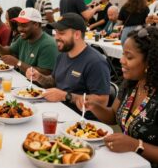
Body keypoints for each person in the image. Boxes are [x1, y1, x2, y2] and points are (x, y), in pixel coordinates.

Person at [84, 26, 158, 167]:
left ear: (149, 61)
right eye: (123, 54)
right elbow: (113, 115)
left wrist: (136, 145)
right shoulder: (131, 83)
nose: (121, 61)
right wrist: (93, 106)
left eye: (129, 56)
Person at [26, 13, 110, 120]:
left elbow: (102, 101)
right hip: (58, 111)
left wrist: (66, 96)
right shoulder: (62, 55)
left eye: (61, 33)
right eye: (55, 33)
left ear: (77, 35)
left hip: (80, 122)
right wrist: (39, 77)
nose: (56, 37)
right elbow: (54, 81)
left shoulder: (96, 62)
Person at [0, 8, 59, 75]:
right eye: (18, 25)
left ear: (36, 25)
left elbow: (45, 73)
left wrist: (18, 63)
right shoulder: (23, 38)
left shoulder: (48, 44)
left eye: (23, 25)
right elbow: (10, 50)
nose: (19, 29)